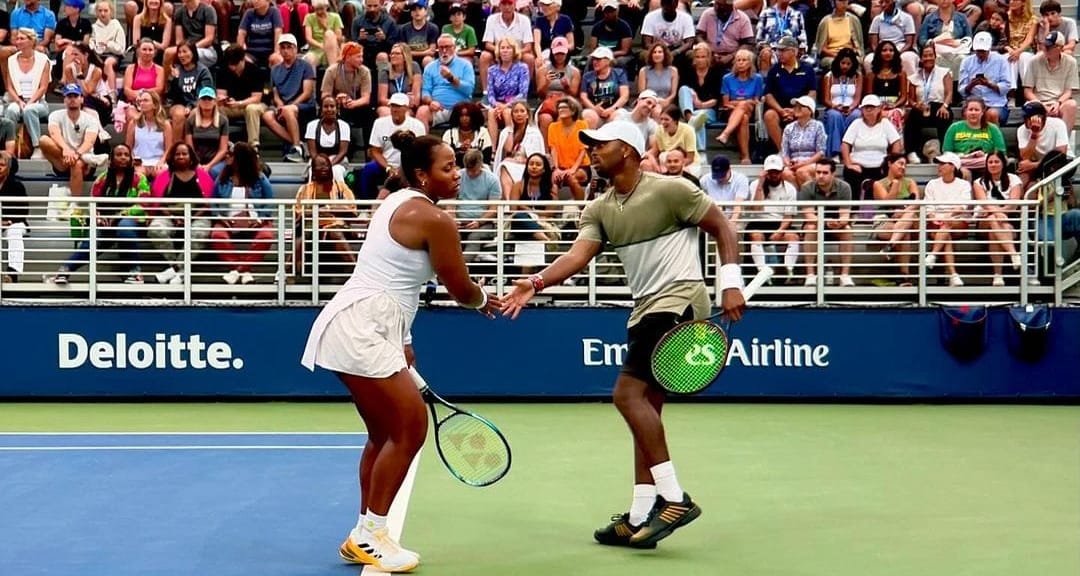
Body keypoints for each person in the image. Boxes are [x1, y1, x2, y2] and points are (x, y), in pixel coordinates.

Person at [501, 120, 746, 549]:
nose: (592, 151)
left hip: (680, 301)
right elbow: (578, 255)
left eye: (601, 144)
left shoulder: (672, 190)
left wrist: (731, 282)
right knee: (644, 412)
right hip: (645, 308)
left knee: (625, 397)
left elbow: (722, 227)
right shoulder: (598, 208)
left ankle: (674, 498)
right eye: (590, 146)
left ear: (629, 151)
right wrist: (535, 282)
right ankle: (638, 516)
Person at [301, 133, 501, 573]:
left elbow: (397, 277)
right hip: (363, 328)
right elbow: (459, 286)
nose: (456, 174)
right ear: (421, 175)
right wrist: (487, 301)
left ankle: (362, 534)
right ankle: (372, 535)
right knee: (409, 428)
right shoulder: (435, 220)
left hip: (362, 322)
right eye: (447, 168)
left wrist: (404, 341)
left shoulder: (393, 201)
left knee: (383, 433)